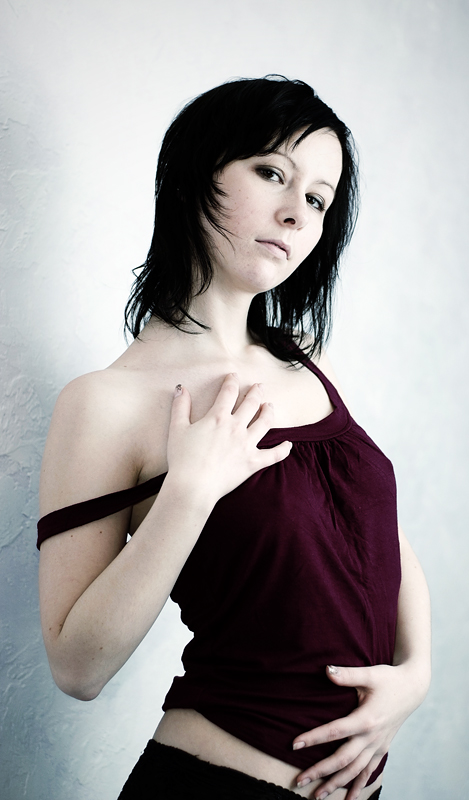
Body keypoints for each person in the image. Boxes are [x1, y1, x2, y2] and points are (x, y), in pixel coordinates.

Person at [37, 76, 431, 800]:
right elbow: (76, 668)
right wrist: (188, 493)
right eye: (272, 173)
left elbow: (379, 537)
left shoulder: (308, 363)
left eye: (318, 199)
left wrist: (416, 673)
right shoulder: (107, 403)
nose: (295, 212)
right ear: (199, 171)